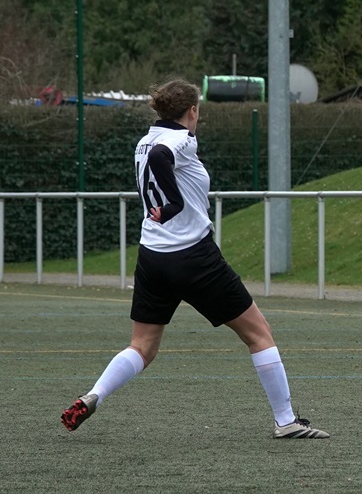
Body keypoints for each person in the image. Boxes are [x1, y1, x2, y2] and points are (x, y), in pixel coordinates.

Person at [60, 79, 329, 439]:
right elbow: (163, 158)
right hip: (193, 257)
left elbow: (157, 159)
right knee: (259, 334)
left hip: (152, 257)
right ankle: (286, 422)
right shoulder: (180, 140)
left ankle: (95, 394)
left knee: (142, 346)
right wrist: (174, 204)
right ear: (192, 110)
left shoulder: (144, 141)